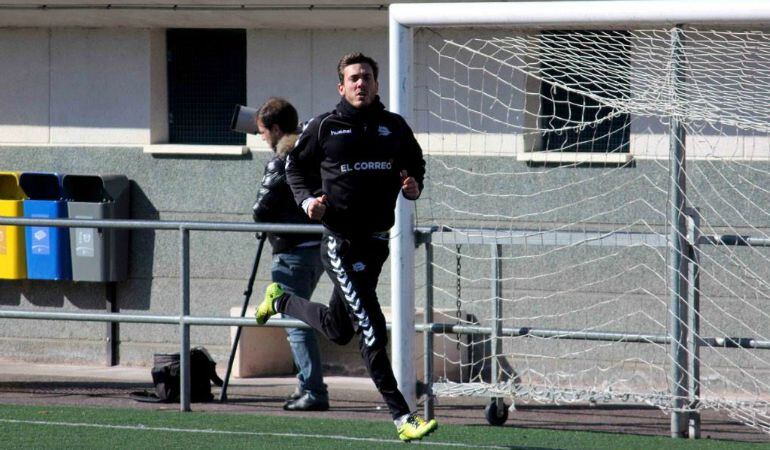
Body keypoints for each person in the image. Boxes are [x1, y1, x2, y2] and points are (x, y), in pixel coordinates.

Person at [256, 53, 438, 442]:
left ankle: (281, 301)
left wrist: (414, 185)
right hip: (339, 244)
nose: (361, 83)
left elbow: (416, 161)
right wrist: (308, 202)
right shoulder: (324, 127)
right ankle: (403, 418)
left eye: (367, 77)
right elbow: (293, 168)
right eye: (354, 78)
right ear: (342, 86)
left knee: (339, 329)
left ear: (376, 84)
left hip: (375, 245)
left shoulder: (394, 127)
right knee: (372, 330)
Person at [252, 97, 329, 411]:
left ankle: (313, 391)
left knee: (294, 320)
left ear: (274, 128)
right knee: (299, 317)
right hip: (317, 249)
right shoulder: (313, 153)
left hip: (292, 252)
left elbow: (260, 210)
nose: (261, 138)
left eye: (262, 132)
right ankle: (306, 387)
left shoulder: (281, 162)